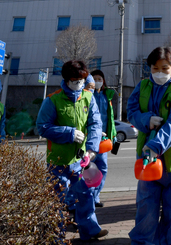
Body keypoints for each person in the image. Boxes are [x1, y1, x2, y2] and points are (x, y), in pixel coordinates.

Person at [127, 47, 171, 245]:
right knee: (145, 214)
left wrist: (156, 145)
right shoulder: (142, 87)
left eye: (164, 68)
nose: (159, 72)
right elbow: (131, 110)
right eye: (155, 68)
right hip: (148, 162)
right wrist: (145, 120)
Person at [36, 60, 107, 240]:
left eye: (82, 81)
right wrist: (69, 133)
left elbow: (95, 124)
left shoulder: (88, 97)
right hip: (58, 159)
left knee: (85, 194)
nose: (79, 84)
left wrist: (91, 149)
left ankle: (90, 230)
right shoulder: (53, 100)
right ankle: (55, 236)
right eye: (75, 81)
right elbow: (42, 127)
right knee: (57, 199)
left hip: (81, 159)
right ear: (67, 80)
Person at [90, 69, 117, 208]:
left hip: (104, 139)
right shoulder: (87, 94)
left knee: (103, 168)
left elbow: (110, 118)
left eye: (99, 78)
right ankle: (89, 197)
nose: (97, 81)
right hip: (91, 137)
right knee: (89, 169)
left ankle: (95, 196)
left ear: (104, 80)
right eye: (94, 78)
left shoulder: (107, 96)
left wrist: (113, 135)